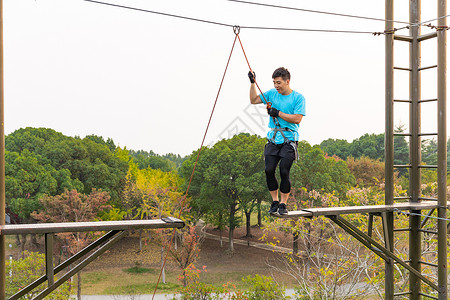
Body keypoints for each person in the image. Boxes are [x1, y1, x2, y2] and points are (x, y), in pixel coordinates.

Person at [248, 67, 306, 215]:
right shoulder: (272, 94)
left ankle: (283, 204)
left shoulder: (298, 98)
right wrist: (252, 83)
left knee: (284, 171)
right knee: (269, 170)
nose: (276, 86)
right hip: (273, 138)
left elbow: (297, 118)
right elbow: (254, 100)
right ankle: (274, 201)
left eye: (279, 83)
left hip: (289, 139)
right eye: (274, 83)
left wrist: (278, 113)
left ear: (287, 81)